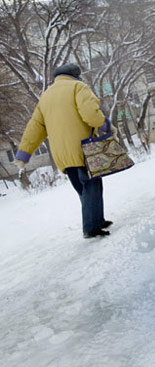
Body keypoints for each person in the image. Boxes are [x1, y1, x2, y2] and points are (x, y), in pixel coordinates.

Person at [14, 64, 113, 239]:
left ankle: (97, 219)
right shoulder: (78, 87)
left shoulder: (46, 96)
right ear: (75, 75)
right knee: (91, 185)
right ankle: (91, 227)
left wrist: (24, 153)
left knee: (84, 188)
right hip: (83, 148)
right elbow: (90, 113)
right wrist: (105, 125)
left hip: (62, 154)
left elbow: (35, 127)